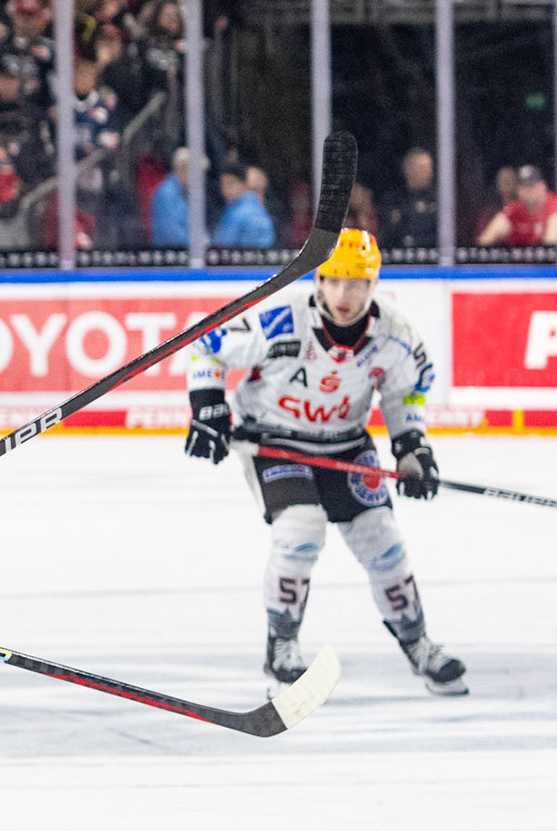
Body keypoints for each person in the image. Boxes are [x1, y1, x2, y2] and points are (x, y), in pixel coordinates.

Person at [183, 229, 466, 696]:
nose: (343, 294)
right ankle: (282, 653)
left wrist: (412, 447)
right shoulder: (281, 319)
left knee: (385, 543)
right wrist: (210, 409)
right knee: (301, 529)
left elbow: (405, 392)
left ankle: (420, 647)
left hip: (346, 445)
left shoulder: (395, 335)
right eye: (333, 281)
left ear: (372, 285)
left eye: (355, 284)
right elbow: (206, 344)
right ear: (319, 281)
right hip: (274, 441)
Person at [477, 165, 557, 246]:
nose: (528, 191)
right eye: (523, 186)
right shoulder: (514, 207)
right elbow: (485, 240)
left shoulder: (554, 203)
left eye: (532, 186)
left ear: (542, 186)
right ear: (518, 190)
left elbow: (551, 245)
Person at [380, 147, 438, 250]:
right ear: (408, 169)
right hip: (400, 260)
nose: (428, 172)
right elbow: (389, 233)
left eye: (429, 168)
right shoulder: (393, 200)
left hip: (433, 261)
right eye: (422, 168)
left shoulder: (439, 199)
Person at [213, 165, 275, 248]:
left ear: (243, 184)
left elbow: (223, 245)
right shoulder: (260, 210)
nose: (225, 189)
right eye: (223, 184)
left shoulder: (236, 212)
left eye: (230, 183)